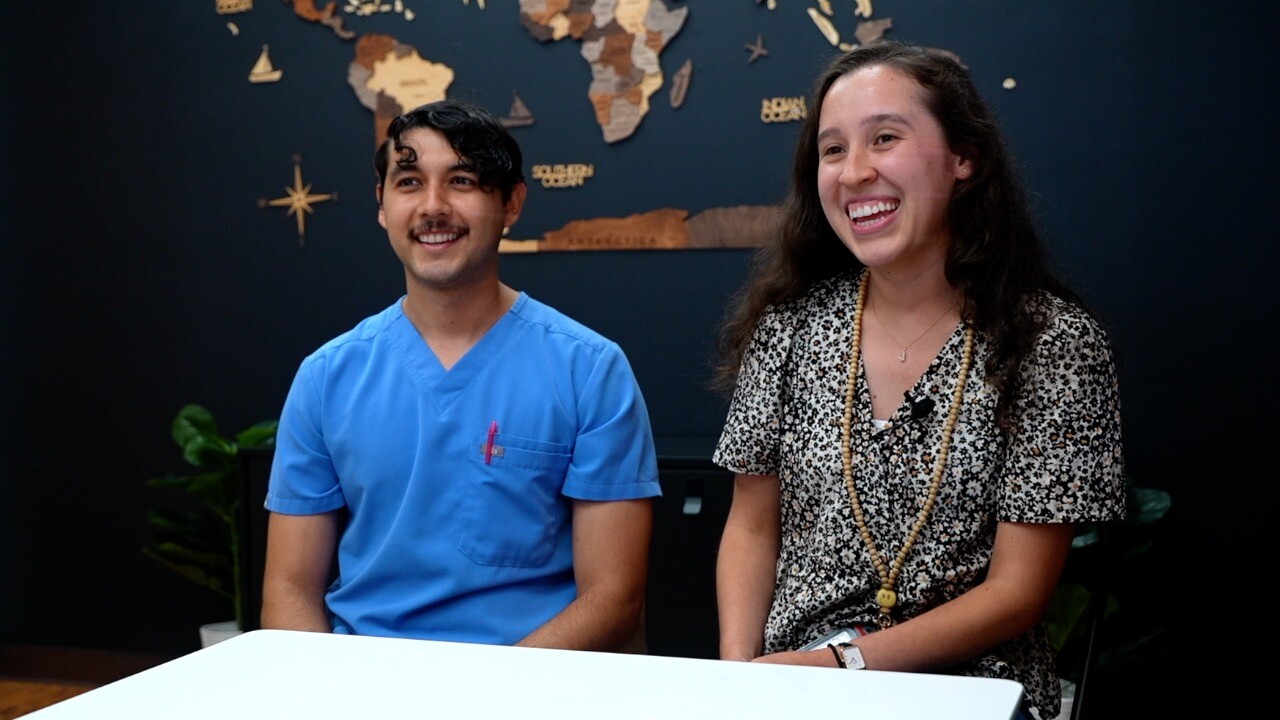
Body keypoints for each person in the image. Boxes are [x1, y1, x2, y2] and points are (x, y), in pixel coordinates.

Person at [711, 40, 1125, 720]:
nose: (854, 172)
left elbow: (1019, 591)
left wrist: (841, 666)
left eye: (885, 138)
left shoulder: (1053, 340)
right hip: (790, 682)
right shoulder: (788, 329)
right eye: (833, 150)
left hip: (969, 690)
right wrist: (739, 679)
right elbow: (753, 527)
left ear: (966, 158)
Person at [261, 99, 661, 652]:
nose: (433, 206)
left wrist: (484, 699)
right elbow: (287, 590)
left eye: (462, 180)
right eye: (408, 182)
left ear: (511, 202)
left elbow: (612, 599)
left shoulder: (589, 371)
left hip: (528, 690)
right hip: (365, 688)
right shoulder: (327, 377)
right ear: (381, 205)